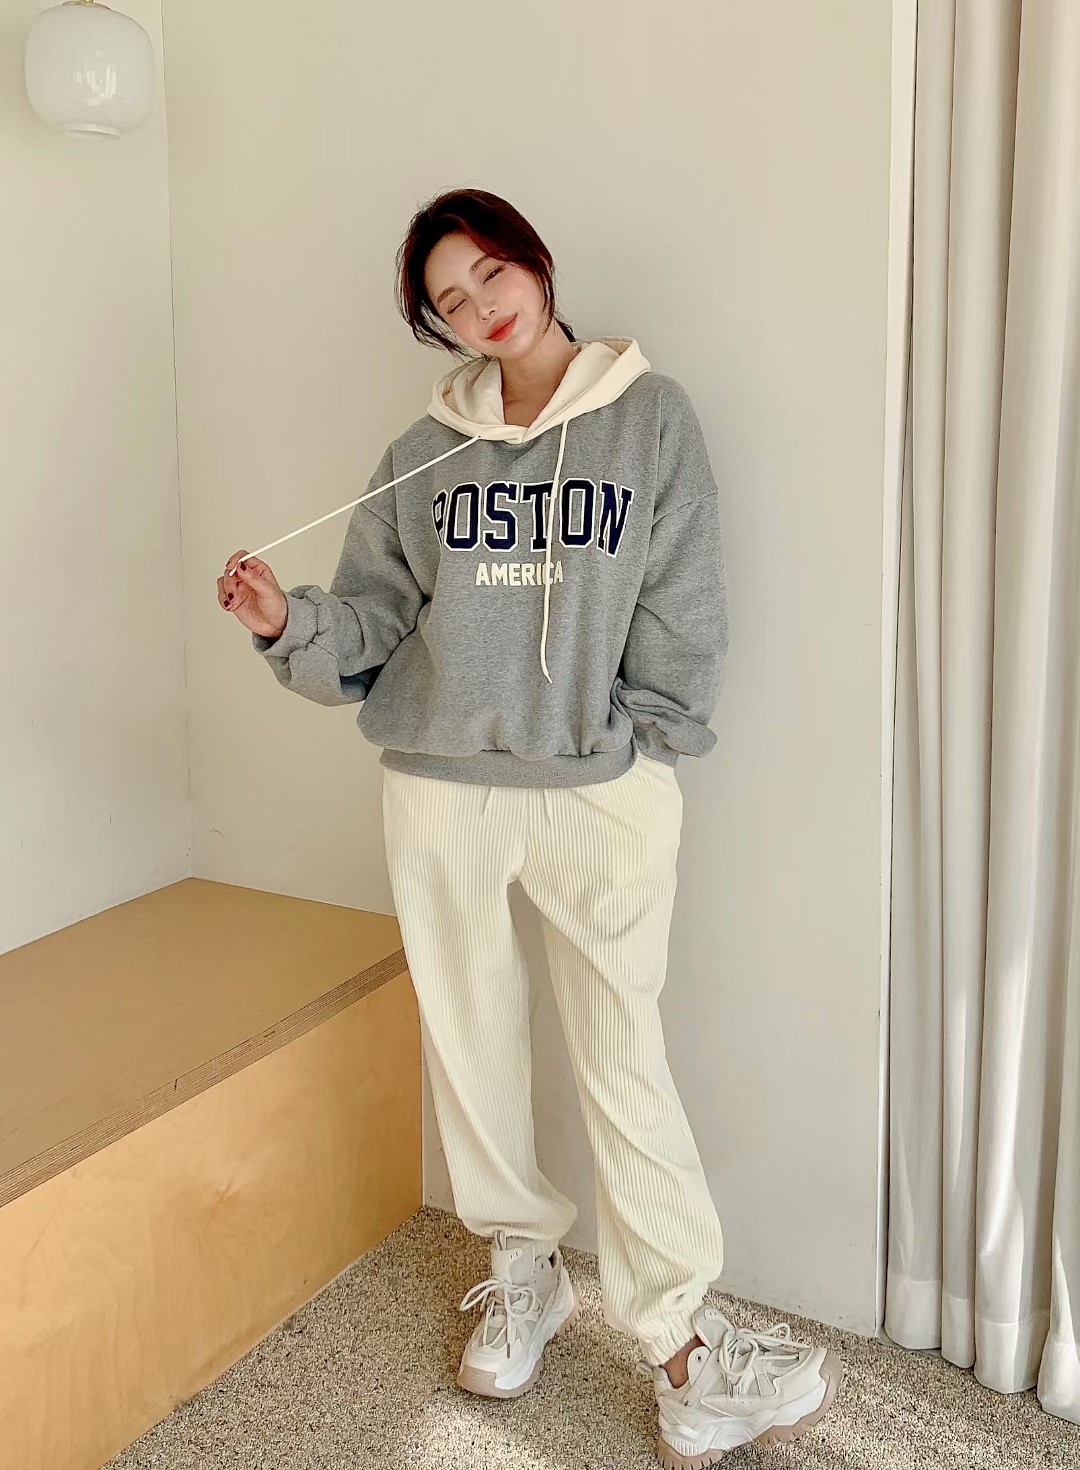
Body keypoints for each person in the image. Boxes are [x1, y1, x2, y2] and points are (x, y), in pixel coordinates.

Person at [217, 189, 841, 1467]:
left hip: (596, 788)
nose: (481, 308)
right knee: (472, 1040)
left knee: (624, 1059)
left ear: (536, 263)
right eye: (450, 302)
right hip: (440, 785)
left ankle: (682, 1341)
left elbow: (684, 602)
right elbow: (376, 620)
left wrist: (644, 741)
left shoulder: (649, 418)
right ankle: (523, 1269)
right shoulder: (423, 454)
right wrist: (288, 624)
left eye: (491, 273)